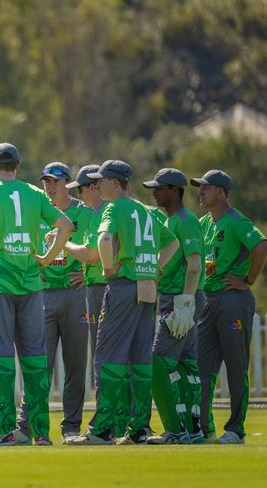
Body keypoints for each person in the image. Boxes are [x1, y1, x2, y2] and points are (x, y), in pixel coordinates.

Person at [0, 142, 73, 447]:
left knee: (2, 359)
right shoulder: (35, 194)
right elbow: (65, 225)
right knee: (36, 361)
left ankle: (7, 430)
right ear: (18, 166)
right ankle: (41, 433)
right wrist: (46, 259)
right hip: (32, 285)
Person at [68, 160, 179, 446]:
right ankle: (139, 428)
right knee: (140, 358)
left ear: (115, 183)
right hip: (147, 288)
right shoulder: (145, 210)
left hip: (123, 287)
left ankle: (102, 429)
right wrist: (155, 267)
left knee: (107, 356)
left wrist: (107, 268)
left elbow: (104, 238)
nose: (99, 185)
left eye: (102, 180)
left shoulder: (113, 208)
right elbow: (172, 243)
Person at [15, 162, 92, 444]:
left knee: (75, 365)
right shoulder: (37, 210)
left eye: (55, 181)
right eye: (46, 181)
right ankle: (27, 426)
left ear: (67, 183)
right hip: (44, 293)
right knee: (38, 365)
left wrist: (87, 273)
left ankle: (71, 426)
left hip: (74, 296)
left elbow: (98, 245)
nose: (49, 186)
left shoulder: (83, 212)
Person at [190, 170, 267, 444]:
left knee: (236, 366)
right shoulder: (203, 223)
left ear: (222, 192)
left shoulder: (236, 221)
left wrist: (247, 280)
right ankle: (203, 428)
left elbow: (261, 247)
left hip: (233, 300)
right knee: (202, 367)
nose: (200, 192)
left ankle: (235, 430)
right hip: (208, 301)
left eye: (206, 187)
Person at [141, 168, 206, 444]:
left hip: (181, 298)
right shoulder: (171, 220)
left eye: (160, 188)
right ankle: (193, 430)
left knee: (158, 362)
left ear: (176, 191)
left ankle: (175, 430)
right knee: (186, 365)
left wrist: (185, 304)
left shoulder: (185, 220)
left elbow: (194, 265)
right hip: (181, 298)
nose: (155, 192)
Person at [63, 165, 107, 357]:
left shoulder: (103, 212)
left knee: (102, 349)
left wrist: (62, 243)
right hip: (99, 284)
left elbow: (91, 255)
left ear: (93, 187)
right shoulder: (98, 212)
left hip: (102, 287)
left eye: (80, 189)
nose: (79, 194)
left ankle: (105, 388)